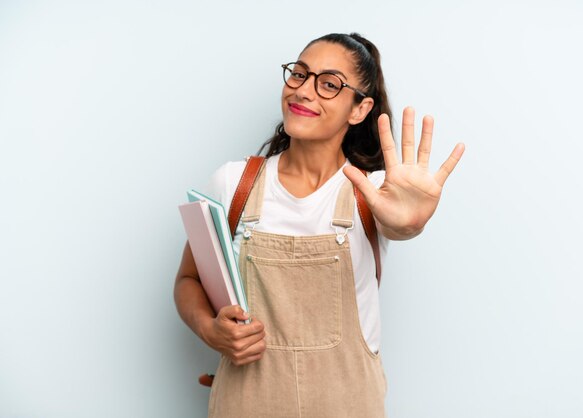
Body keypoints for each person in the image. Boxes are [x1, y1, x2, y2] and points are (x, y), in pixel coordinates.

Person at [174, 32, 464, 418]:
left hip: (348, 403)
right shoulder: (233, 184)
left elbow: (400, 225)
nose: (304, 91)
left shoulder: (375, 193)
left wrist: (409, 224)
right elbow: (188, 280)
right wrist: (211, 331)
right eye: (299, 74)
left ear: (359, 110)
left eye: (329, 84)